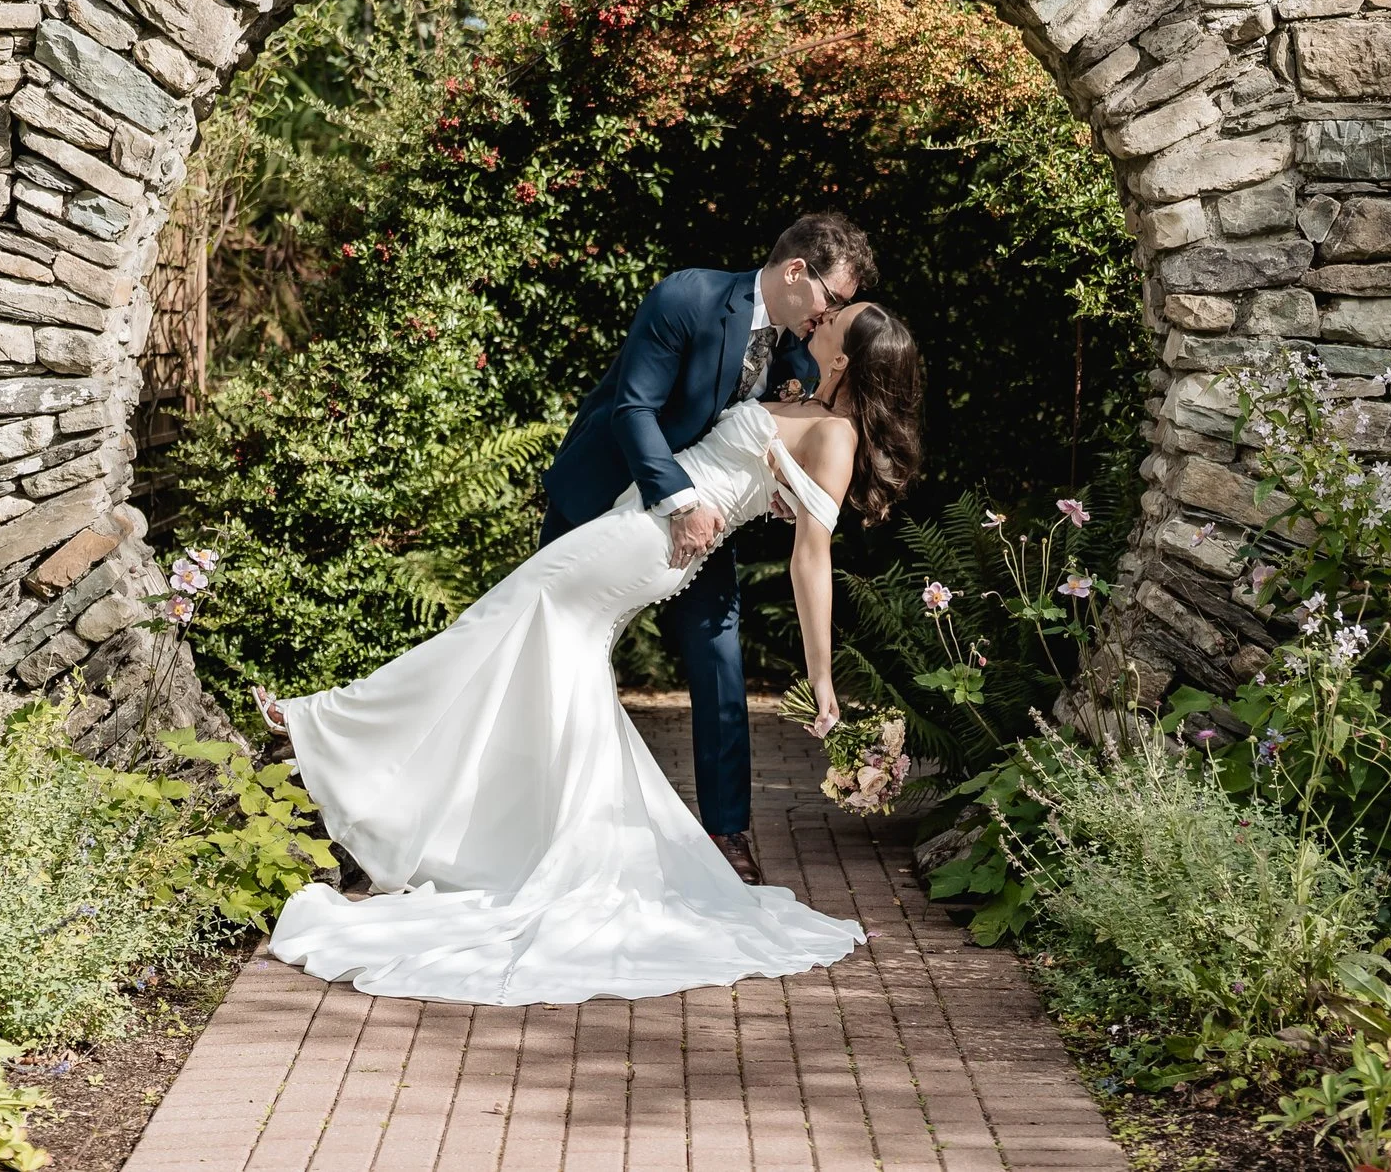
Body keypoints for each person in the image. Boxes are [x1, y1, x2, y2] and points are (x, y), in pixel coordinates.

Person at [254, 293, 925, 1006]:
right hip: (641, 518)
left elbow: (809, 562)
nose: (822, 319)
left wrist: (821, 678)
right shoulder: (805, 399)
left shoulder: (837, 438)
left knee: (499, 620)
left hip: (650, 541)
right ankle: (559, 845)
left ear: (846, 359)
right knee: (555, 662)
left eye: (836, 323)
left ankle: (323, 723)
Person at [541, 212, 880, 884]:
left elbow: (771, 437)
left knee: (721, 660)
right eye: (832, 300)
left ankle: (728, 835)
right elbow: (632, 410)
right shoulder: (687, 298)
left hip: (702, 531)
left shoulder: (795, 349)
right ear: (794, 273)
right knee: (548, 648)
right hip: (608, 501)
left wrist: (781, 483)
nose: (830, 316)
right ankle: (545, 814)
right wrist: (683, 502)